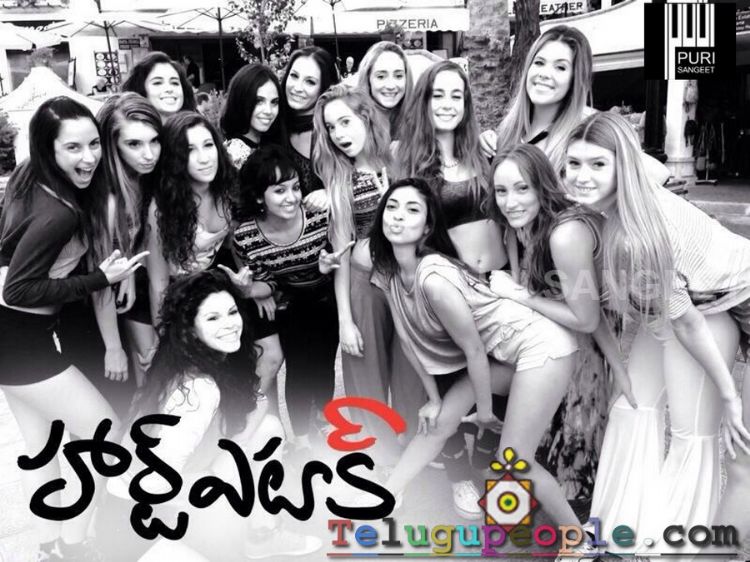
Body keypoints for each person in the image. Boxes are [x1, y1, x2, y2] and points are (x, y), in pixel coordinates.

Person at [564, 111, 750, 551]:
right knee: (633, 406)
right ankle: (622, 533)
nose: (582, 176)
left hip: (731, 302)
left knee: (736, 453)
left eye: (598, 164)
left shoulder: (638, 236)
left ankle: (680, 551)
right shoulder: (630, 193)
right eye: (573, 163)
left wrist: (729, 397)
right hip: (708, 301)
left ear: (623, 167)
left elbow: (687, 323)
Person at [366, 178, 581, 533]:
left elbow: (474, 350)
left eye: (412, 209)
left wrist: (483, 411)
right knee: (437, 422)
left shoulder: (434, 279)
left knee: (515, 459)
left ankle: (578, 540)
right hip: (506, 353)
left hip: (541, 347)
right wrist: (434, 399)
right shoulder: (388, 269)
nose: (398, 216)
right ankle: (386, 498)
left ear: (427, 227)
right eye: (392, 206)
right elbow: (406, 340)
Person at [0, 96, 146, 561]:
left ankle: (50, 548)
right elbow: (18, 291)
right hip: (20, 341)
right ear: (48, 149)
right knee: (107, 435)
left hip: (15, 340)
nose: (89, 157)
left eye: (94, 144)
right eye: (73, 148)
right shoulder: (58, 211)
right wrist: (100, 278)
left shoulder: (28, 180)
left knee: (42, 450)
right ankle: (73, 545)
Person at [97, 270, 321, 561]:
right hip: (137, 525)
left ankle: (262, 535)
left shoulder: (207, 359)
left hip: (158, 508)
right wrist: (220, 482)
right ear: (191, 329)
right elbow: (154, 485)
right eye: (213, 318)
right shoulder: (198, 388)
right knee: (231, 468)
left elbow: (256, 404)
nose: (229, 324)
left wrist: (230, 459)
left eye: (232, 312)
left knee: (266, 430)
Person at [487, 143, 631, 500]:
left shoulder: (566, 233)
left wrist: (519, 296)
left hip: (587, 342)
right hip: (557, 337)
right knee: (533, 446)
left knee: (572, 450)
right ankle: (523, 519)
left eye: (522, 188)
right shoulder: (520, 226)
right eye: (501, 191)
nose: (510, 202)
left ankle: (572, 527)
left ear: (542, 186)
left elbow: (589, 317)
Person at [313, 84, 426, 471]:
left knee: (413, 368)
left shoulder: (400, 160)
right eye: (330, 127)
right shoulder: (338, 180)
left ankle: (415, 449)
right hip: (364, 284)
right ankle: (379, 456)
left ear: (365, 116)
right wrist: (345, 320)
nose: (338, 134)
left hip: (408, 282)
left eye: (345, 121)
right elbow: (341, 254)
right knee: (366, 372)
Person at [57, 93, 163, 416]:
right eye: (134, 144)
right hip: (86, 310)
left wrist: (128, 270)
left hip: (110, 298)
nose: (148, 154)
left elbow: (127, 244)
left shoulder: (139, 181)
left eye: (154, 141)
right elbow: (100, 279)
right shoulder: (108, 198)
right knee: (106, 408)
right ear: (112, 145)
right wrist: (113, 348)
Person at [233, 145, 336, 452]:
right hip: (290, 304)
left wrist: (329, 266)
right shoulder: (247, 236)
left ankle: (324, 417)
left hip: (327, 298)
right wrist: (247, 289)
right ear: (258, 197)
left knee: (324, 365)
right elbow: (267, 282)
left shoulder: (319, 215)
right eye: (279, 191)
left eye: (295, 187)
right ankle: (301, 440)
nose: (292, 197)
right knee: (300, 369)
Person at [395, 60, 507, 275]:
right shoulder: (408, 162)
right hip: (453, 284)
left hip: (502, 277)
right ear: (423, 101)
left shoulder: (485, 154)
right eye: (438, 96)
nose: (447, 105)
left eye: (456, 96)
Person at [280, 46, 339, 205]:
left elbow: (362, 176)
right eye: (294, 76)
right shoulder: (274, 123)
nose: (297, 88)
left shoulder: (334, 129)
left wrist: (333, 192)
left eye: (310, 82)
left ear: (324, 88)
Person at [221, 63, 287, 170]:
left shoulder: (269, 142)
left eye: (274, 102)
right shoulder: (234, 154)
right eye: (259, 101)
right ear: (240, 99)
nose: (268, 111)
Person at [356, 41, 413, 139]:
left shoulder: (419, 121)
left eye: (398, 76)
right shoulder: (354, 123)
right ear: (368, 79)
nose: (391, 86)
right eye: (381, 77)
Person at [122, 52, 197, 121]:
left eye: (174, 83)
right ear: (141, 90)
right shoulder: (129, 130)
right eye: (157, 83)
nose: (169, 89)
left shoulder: (198, 128)